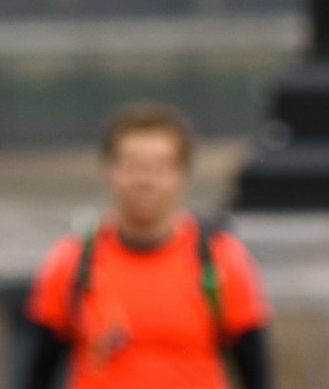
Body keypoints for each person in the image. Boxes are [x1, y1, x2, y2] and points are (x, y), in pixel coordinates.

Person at [17, 103, 272, 389]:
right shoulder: (71, 261)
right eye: (133, 166)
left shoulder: (220, 260)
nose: (145, 181)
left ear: (181, 176)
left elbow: (255, 373)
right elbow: (35, 372)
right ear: (110, 172)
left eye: (160, 167)